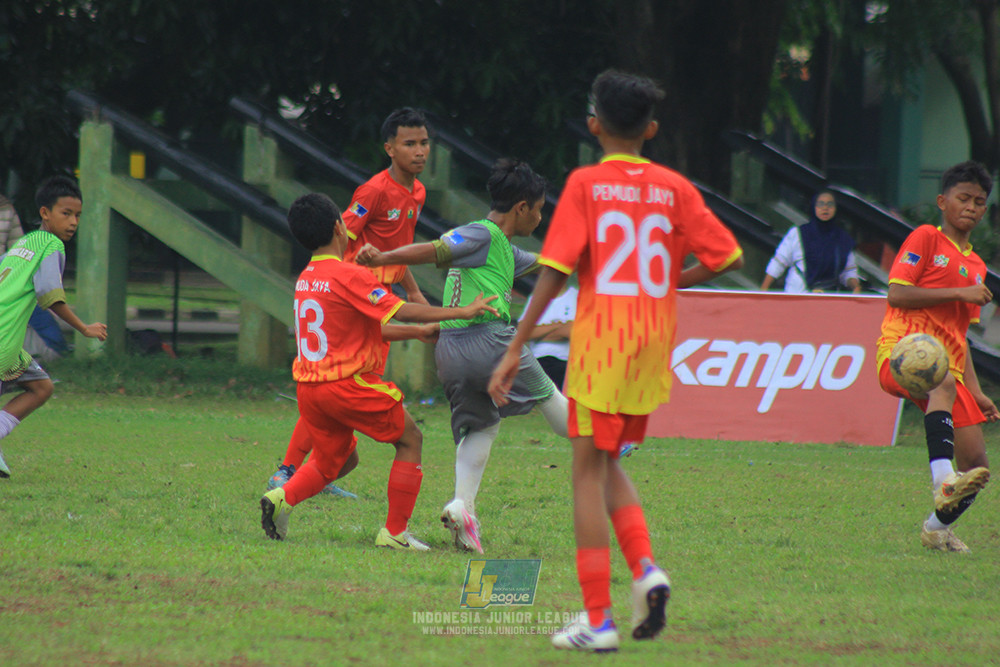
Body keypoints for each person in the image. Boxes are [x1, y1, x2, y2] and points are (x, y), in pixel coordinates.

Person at [488, 70, 744, 652]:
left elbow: (554, 272)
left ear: (593, 125)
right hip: (652, 342)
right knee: (604, 461)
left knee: (584, 473)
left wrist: (515, 345)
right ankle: (645, 570)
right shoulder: (674, 188)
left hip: (603, 340)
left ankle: (598, 621)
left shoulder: (586, 184)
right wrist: (669, 281)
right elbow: (728, 256)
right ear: (651, 130)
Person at [258, 193, 498, 549]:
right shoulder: (348, 275)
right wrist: (461, 312)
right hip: (346, 385)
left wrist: (418, 333)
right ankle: (395, 532)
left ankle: (281, 498)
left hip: (310, 389)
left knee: (331, 462)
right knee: (410, 439)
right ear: (339, 227)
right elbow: (400, 309)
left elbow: (367, 328)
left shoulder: (306, 278)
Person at [356, 158, 570, 554]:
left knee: (482, 427)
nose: (540, 218)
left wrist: (576, 256)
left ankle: (462, 509)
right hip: (490, 340)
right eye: (539, 210)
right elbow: (434, 249)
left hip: (450, 350)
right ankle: (608, 435)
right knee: (555, 405)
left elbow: (544, 264)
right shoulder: (481, 233)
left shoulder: (502, 246)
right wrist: (384, 258)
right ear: (522, 207)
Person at [266, 107, 432, 497]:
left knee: (339, 389)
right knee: (334, 383)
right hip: (356, 300)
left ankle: (313, 474)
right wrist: (341, 290)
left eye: (424, 143)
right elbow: (339, 236)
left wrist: (411, 288)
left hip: (379, 298)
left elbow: (396, 248)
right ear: (389, 148)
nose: (419, 151)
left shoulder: (418, 192)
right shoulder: (373, 192)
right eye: (410, 143)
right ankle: (287, 472)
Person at [875, 160, 997, 553]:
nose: (971, 207)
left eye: (979, 201)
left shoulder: (976, 267)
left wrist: (976, 392)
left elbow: (960, 338)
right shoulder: (926, 237)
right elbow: (897, 294)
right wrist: (960, 292)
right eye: (963, 198)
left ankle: (936, 528)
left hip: (950, 371)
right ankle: (942, 480)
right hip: (903, 350)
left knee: (977, 467)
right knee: (939, 378)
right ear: (943, 202)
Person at [0, 175, 108, 477]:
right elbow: (50, 295)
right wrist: (84, 328)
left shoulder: (25, 243)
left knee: (41, 386)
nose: (73, 222)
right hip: (3, 342)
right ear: (45, 213)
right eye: (66, 213)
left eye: (78, 215)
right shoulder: (51, 245)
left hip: (9, 344)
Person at [760, 191, 862, 294]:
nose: (825, 208)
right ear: (814, 207)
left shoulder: (843, 239)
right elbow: (779, 262)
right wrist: (763, 292)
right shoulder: (798, 233)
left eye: (830, 204)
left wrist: (855, 286)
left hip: (828, 298)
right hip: (798, 295)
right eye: (820, 204)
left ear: (836, 208)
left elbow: (849, 271)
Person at [522, 283, 577, 388]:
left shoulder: (576, 297)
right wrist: (559, 325)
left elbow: (570, 332)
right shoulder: (535, 298)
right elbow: (523, 333)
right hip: (537, 361)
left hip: (566, 362)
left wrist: (540, 329)